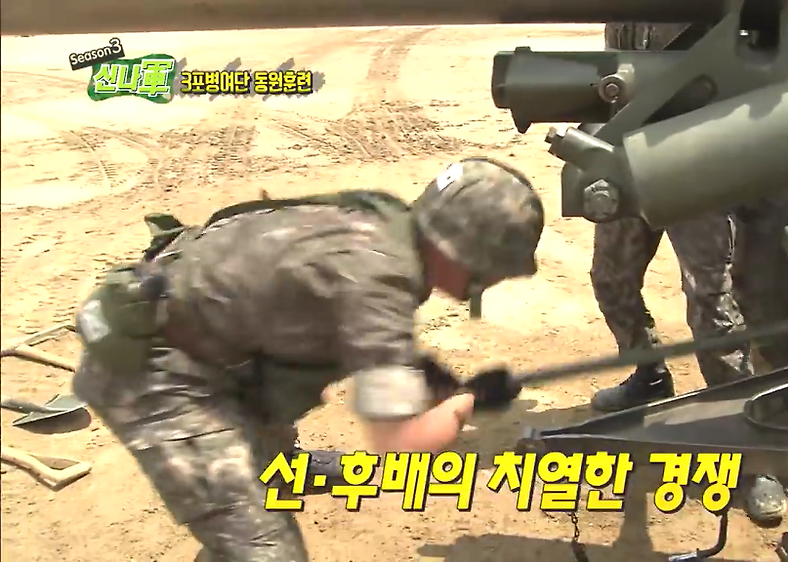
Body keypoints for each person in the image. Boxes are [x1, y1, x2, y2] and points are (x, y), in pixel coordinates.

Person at [71, 157, 543, 562]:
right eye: (496, 268)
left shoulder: (387, 226)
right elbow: (403, 446)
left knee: (272, 435)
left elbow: (331, 317)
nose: (494, 280)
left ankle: (273, 464)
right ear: (466, 251)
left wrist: (421, 373)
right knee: (264, 550)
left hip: (217, 346)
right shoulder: (379, 282)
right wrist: (466, 402)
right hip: (155, 374)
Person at [590, 23, 787, 525]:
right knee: (611, 277)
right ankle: (650, 376)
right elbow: (613, 77)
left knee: (710, 304)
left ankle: (750, 452)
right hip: (632, 157)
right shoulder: (624, 14)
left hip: (696, 160)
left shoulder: (701, 14)